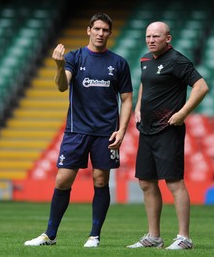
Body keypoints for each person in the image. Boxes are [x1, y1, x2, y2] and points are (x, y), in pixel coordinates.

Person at [24, 13, 133, 248]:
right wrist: (59, 65)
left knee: (100, 180)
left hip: (106, 132)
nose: (100, 34)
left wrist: (122, 130)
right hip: (76, 130)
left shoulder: (119, 63)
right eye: (97, 29)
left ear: (109, 33)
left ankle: (94, 236)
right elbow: (62, 86)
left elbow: (126, 100)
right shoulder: (75, 57)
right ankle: (50, 235)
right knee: (63, 180)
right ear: (89, 30)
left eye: (105, 30)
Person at [127, 21, 209, 250]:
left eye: (156, 36)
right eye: (148, 36)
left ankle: (185, 238)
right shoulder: (145, 59)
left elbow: (201, 87)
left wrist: (182, 113)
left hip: (168, 130)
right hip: (147, 130)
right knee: (145, 182)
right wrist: (138, 107)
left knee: (174, 182)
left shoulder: (178, 60)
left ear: (168, 39)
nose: (151, 40)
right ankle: (154, 237)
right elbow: (145, 84)